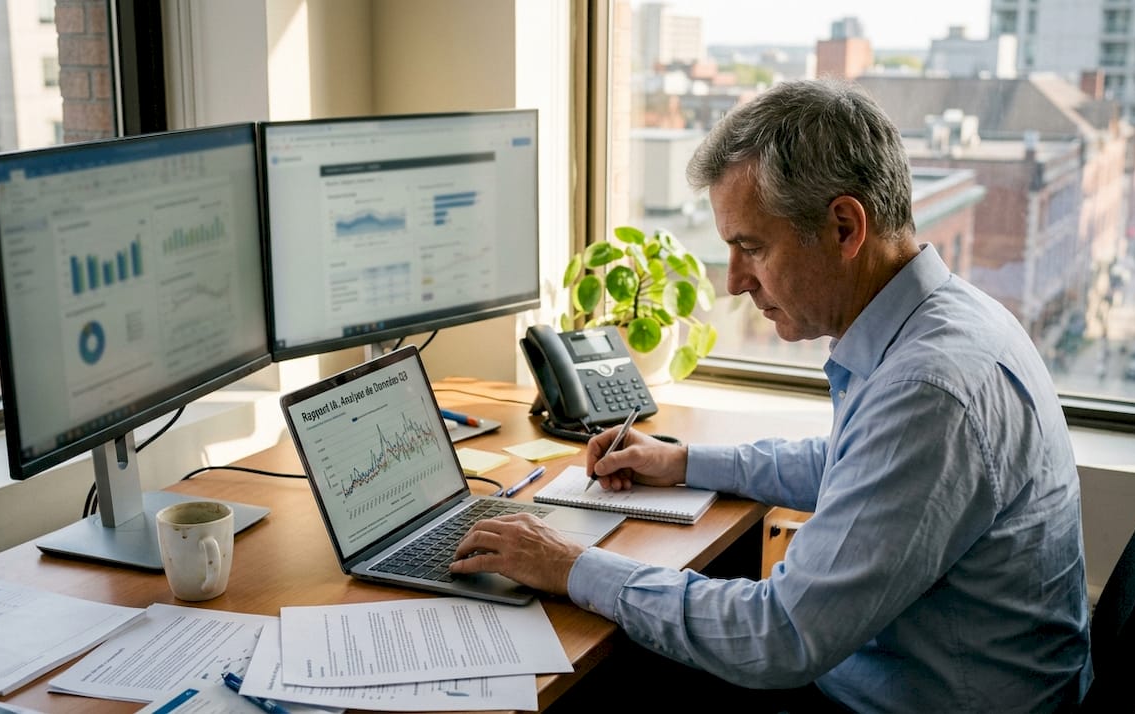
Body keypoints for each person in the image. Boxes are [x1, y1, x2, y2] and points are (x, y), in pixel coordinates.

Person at [451, 79, 1091, 712]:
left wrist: (570, 564)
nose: (733, 283)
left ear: (844, 227)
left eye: (750, 247)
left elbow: (778, 637)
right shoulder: (943, 322)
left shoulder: (930, 391)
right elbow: (852, 466)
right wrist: (683, 462)